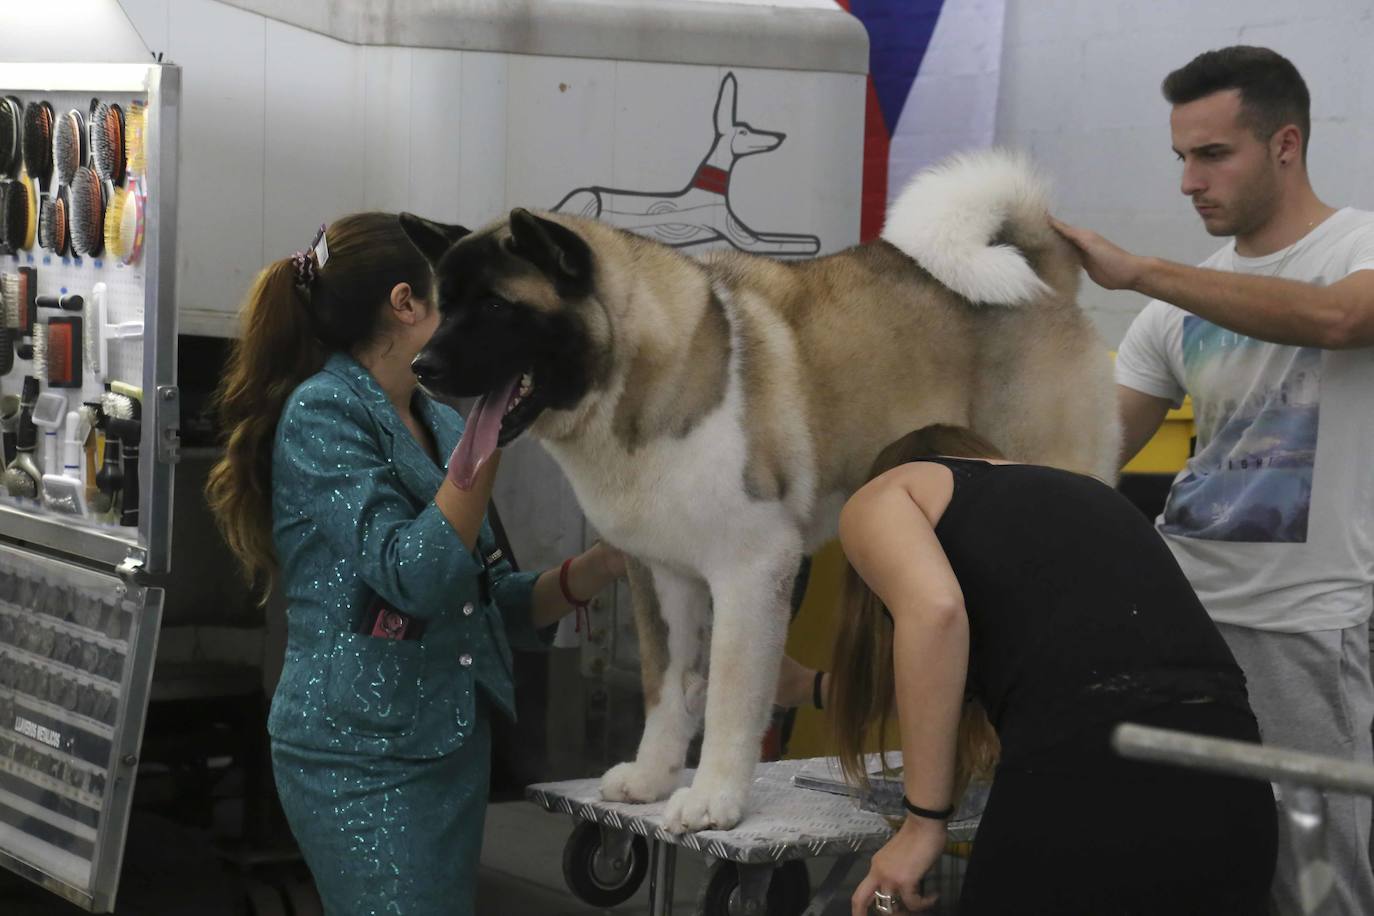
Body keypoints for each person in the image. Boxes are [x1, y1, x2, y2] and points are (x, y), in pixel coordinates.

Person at [205, 212, 625, 916]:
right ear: (406, 303)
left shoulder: (442, 420)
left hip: (447, 749)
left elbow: (493, 603)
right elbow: (417, 575)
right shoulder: (324, 415)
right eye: (466, 299)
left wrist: (603, 565)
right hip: (358, 757)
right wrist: (491, 434)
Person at [1053, 45, 1374, 913]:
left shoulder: (1360, 250)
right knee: (1185, 860)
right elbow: (1086, 460)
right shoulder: (1172, 315)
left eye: (1212, 154)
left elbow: (1345, 319)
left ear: (1286, 144)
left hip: (1302, 626)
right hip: (1179, 617)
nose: (1189, 182)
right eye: (1181, 159)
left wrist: (1143, 270)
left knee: (1317, 883)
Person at [830, 424, 1276, 915]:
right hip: (1236, 787)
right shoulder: (1080, 494)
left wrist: (923, 823)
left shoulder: (886, 494)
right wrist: (806, 687)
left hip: (1091, 788)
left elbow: (935, 611)